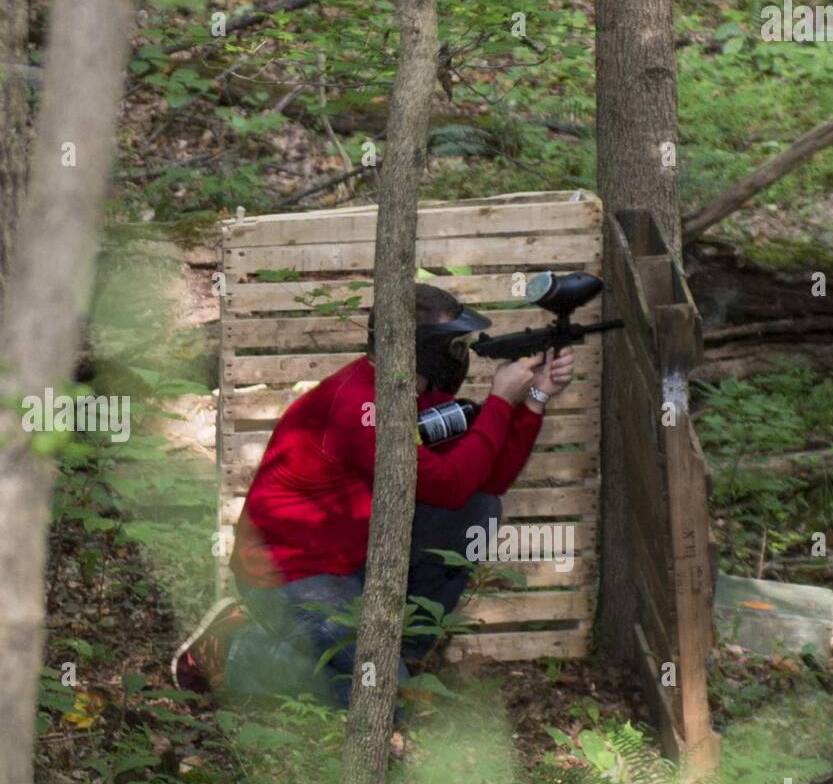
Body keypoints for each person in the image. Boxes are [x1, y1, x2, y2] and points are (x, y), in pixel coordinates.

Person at [172, 282, 575, 706]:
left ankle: (403, 658)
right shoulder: (360, 408)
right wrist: (498, 401)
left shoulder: (407, 394)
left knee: (479, 508)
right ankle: (233, 650)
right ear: (420, 347)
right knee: (381, 693)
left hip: (350, 563)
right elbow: (450, 485)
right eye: (453, 343)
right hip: (288, 577)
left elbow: (484, 483)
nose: (461, 355)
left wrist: (533, 400)